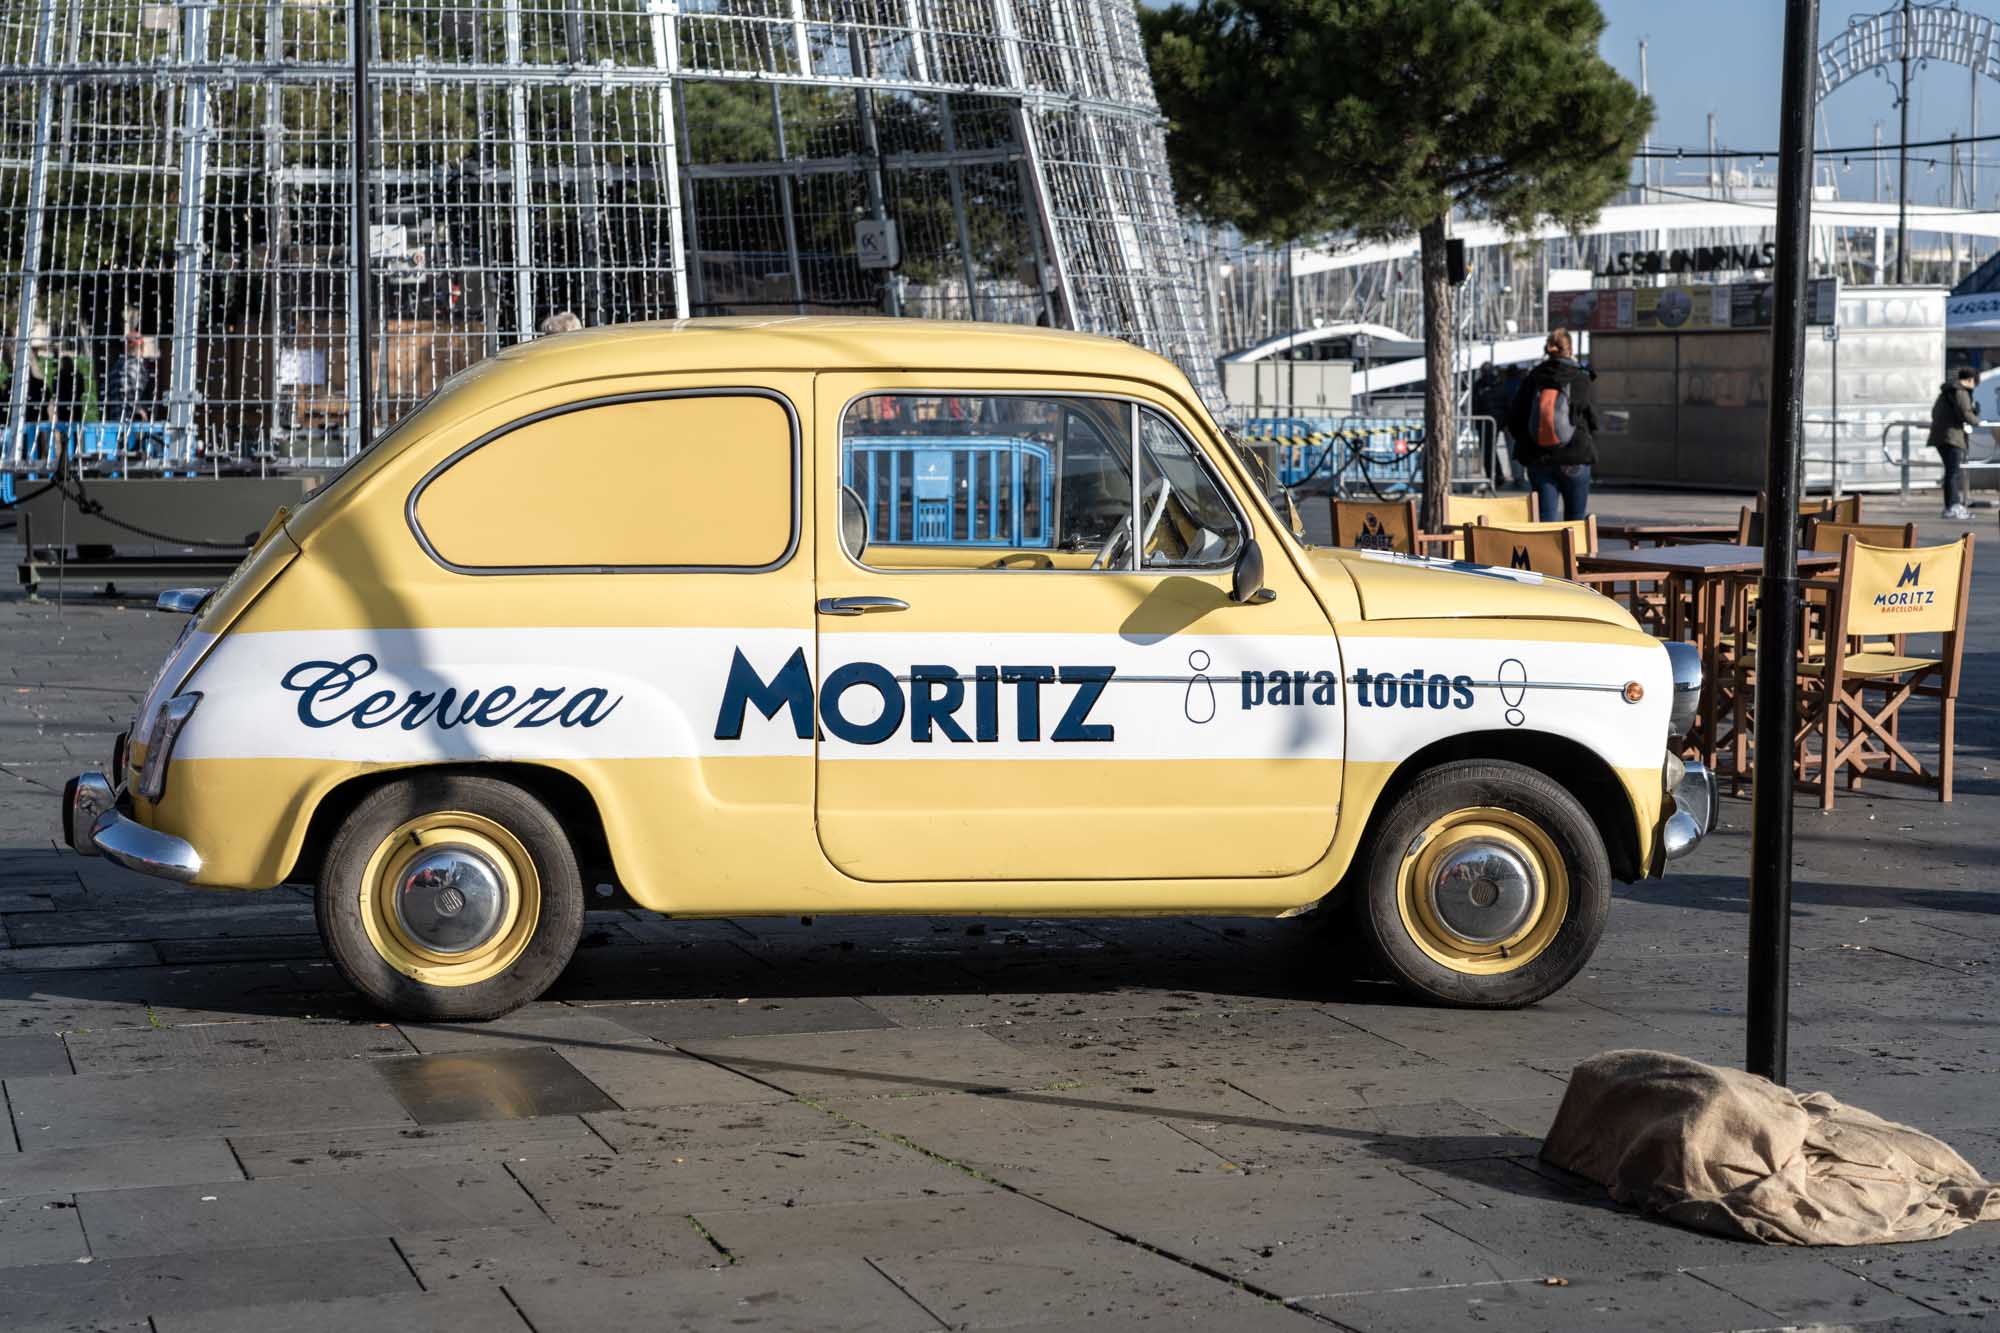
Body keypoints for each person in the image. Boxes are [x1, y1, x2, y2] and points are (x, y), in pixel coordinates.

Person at [1509, 327, 1598, 520]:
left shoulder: (1534, 377)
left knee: (1545, 521)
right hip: (1574, 457)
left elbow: (1515, 417)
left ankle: (1546, 551)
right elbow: (1590, 416)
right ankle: (1574, 551)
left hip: (1539, 459)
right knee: (1575, 521)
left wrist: (1531, 442)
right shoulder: (1580, 377)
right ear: (1570, 349)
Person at [1928, 365, 1982, 522]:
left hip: (1941, 436)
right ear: (1971, 380)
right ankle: (1953, 506)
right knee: (1953, 473)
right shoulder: (1961, 392)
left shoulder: (1947, 392)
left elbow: (1934, 413)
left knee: (1951, 472)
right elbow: (1966, 413)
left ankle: (1951, 506)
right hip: (1952, 437)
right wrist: (1977, 421)